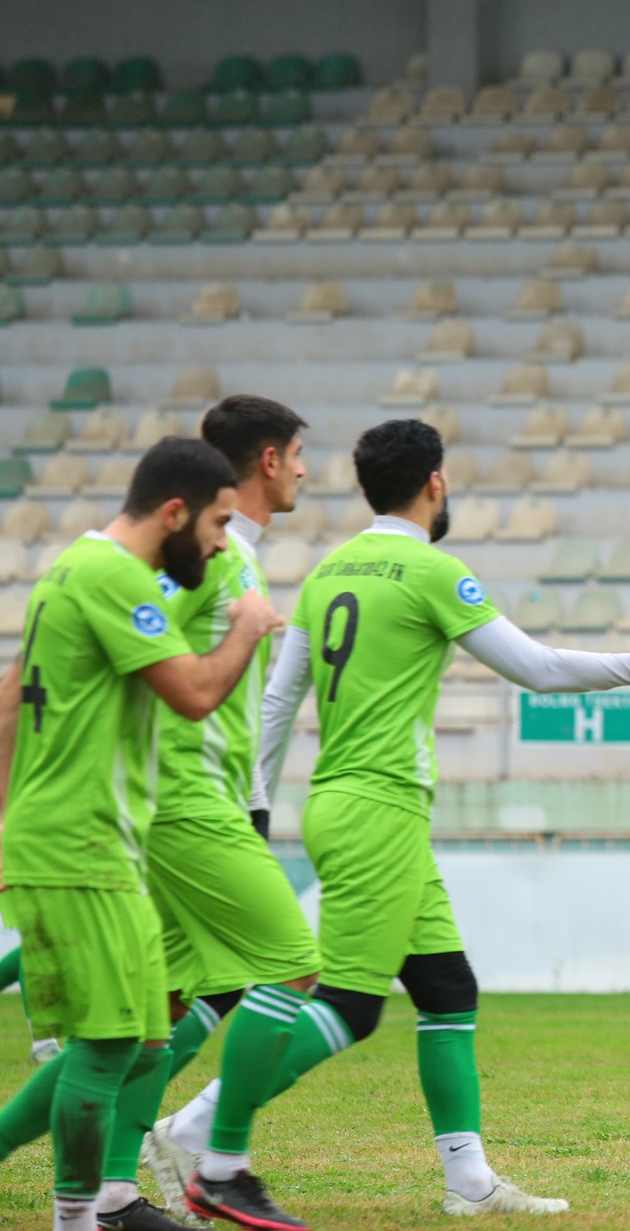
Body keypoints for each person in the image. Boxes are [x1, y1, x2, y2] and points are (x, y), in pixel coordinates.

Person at [230, 418, 630, 1217]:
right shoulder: (431, 569)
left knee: (446, 987)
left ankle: (468, 1181)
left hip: (340, 801)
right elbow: (535, 669)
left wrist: (256, 799)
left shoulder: (328, 569)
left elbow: (280, 698)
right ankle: (200, 1129)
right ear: (435, 481)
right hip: (380, 807)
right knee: (348, 1005)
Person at [0, 439, 283, 1231]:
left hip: (100, 843)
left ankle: (98, 1207)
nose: (225, 542)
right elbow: (195, 693)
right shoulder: (115, 578)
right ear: (174, 512)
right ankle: (80, 1219)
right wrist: (248, 627)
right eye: (219, 523)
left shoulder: (69, 571)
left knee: (149, 1038)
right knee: (108, 1042)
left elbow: (9, 697)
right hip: (77, 845)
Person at [127, 397, 325, 1229]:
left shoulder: (234, 554)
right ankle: (222, 1161)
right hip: (184, 796)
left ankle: (107, 1190)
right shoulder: (206, 558)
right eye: (301, 456)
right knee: (291, 962)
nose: (309, 472)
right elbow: (130, 648)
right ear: (270, 459)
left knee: (156, 1012)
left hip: (207, 793)